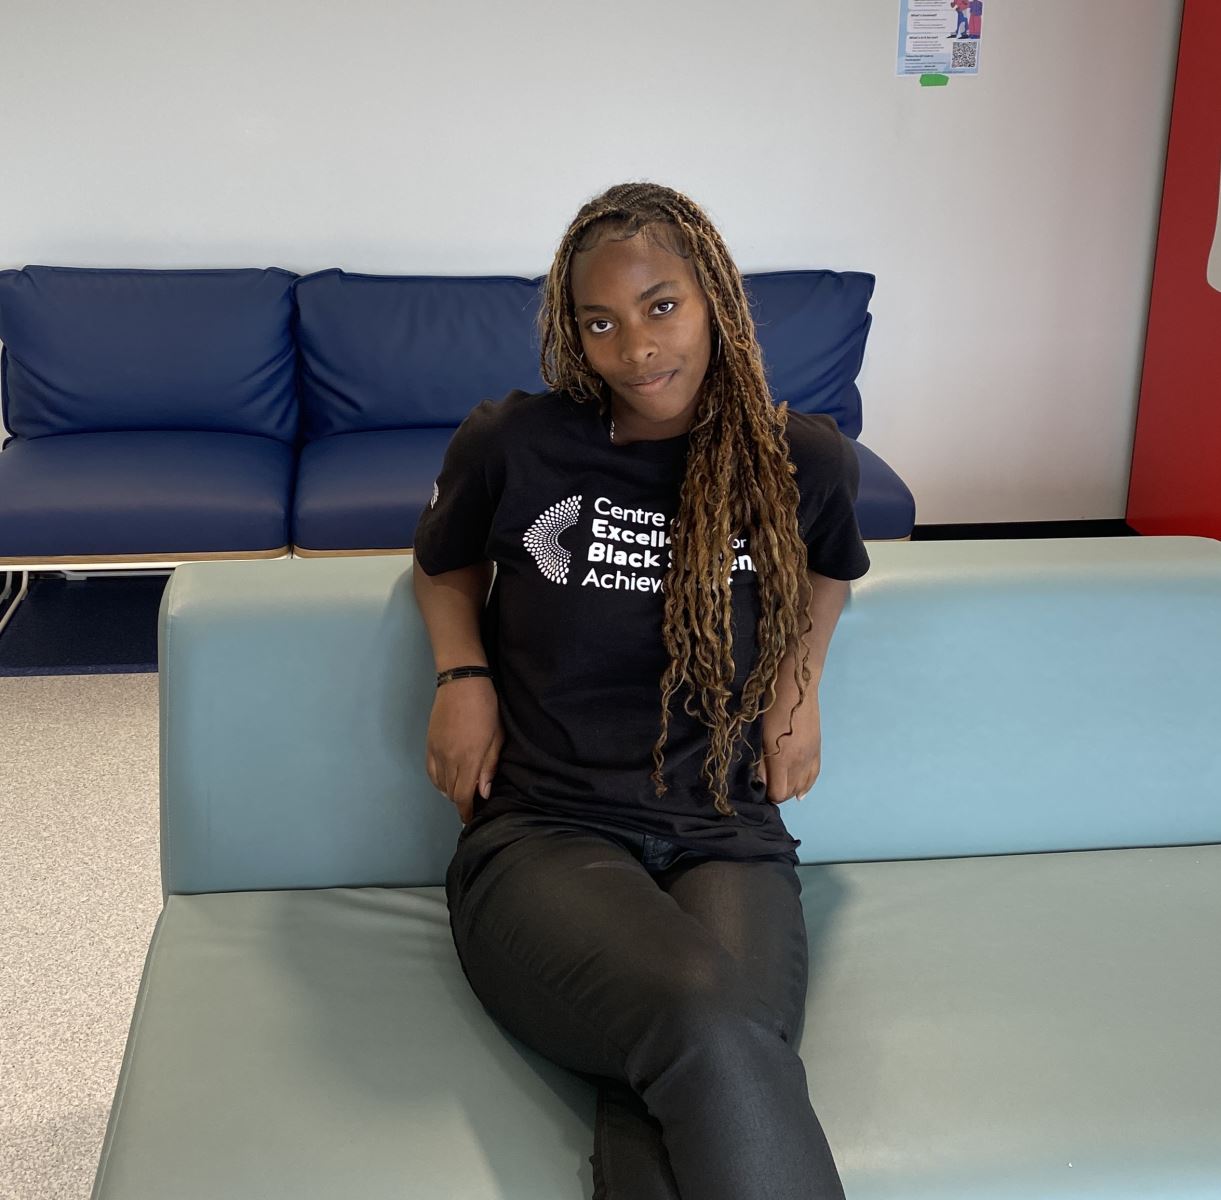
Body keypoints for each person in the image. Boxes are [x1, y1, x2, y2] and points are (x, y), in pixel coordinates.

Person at [411, 181, 869, 1200]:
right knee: (710, 1020)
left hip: (726, 828)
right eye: (601, 323)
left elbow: (831, 568)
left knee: (693, 1062)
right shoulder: (516, 445)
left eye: (662, 306)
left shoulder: (803, 463)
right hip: (544, 835)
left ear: (714, 297)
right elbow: (441, 564)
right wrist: (463, 672)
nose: (635, 348)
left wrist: (800, 685)